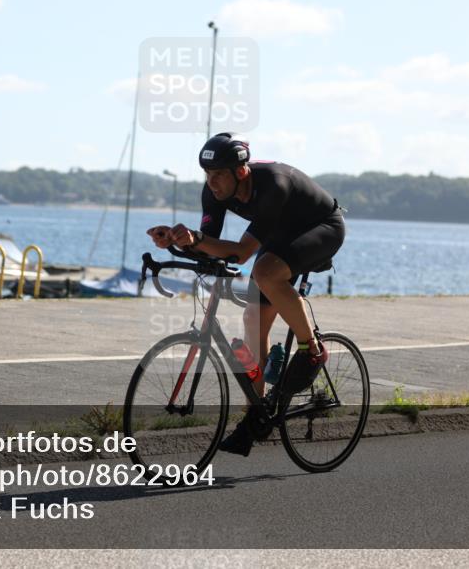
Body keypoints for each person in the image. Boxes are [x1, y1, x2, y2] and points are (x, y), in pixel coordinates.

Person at [146, 132, 345, 456]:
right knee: (252, 318)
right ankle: (256, 416)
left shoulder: (273, 185)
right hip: (280, 234)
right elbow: (210, 246)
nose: (212, 183)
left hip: (321, 227)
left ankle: (312, 348)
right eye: (207, 175)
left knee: (266, 272)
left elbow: (240, 252)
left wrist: (195, 239)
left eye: (219, 175)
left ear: (240, 172)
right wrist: (177, 240)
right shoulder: (215, 192)